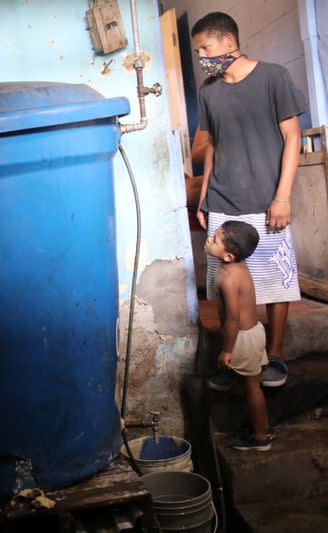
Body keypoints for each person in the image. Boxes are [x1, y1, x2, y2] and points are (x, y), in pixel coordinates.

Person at [191, 12, 304, 391]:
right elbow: (213, 147)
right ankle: (233, 356)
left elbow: (293, 138)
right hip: (223, 199)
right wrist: (204, 196)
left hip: (267, 200)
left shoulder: (274, 77)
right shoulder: (209, 92)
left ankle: (274, 356)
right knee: (223, 284)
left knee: (276, 282)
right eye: (198, 51)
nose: (203, 57)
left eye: (205, 48)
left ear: (227, 42)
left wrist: (282, 197)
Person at [205, 221, 272, 450]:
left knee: (252, 387)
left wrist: (227, 350)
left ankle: (261, 436)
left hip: (242, 337)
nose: (208, 240)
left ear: (229, 256)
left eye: (214, 240)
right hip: (252, 333)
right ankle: (259, 426)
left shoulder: (229, 278)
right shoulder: (236, 268)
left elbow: (233, 318)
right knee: (250, 382)